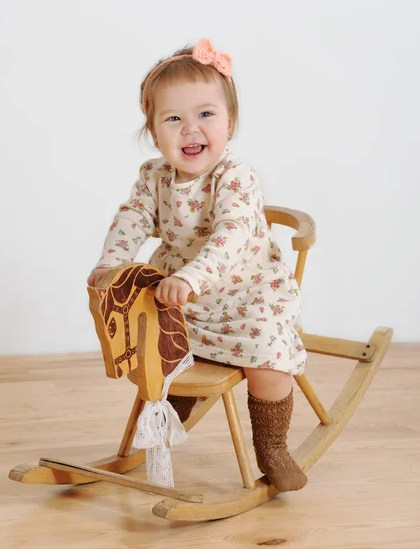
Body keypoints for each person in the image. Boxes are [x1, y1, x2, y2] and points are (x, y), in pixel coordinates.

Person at [87, 38, 307, 492]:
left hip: (247, 296)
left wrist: (192, 276)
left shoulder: (235, 176)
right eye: (173, 119)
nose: (191, 130)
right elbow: (133, 217)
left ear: (230, 121)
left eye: (205, 114)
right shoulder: (154, 177)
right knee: (155, 345)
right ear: (153, 132)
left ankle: (273, 446)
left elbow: (232, 234)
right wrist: (113, 261)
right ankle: (172, 409)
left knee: (269, 364)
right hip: (181, 297)